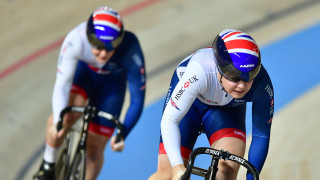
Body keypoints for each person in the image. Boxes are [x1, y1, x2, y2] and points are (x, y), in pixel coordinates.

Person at [33, 6, 146, 180]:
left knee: (94, 151)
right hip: (85, 74)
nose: (103, 54)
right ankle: (48, 166)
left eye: (110, 48)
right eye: (98, 46)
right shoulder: (76, 39)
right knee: (64, 119)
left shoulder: (131, 48)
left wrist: (122, 133)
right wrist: (58, 119)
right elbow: (62, 84)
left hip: (112, 86)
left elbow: (137, 99)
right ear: (89, 38)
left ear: (120, 41)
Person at [148, 29, 274, 180]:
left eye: (249, 77)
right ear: (219, 69)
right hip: (191, 103)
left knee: (226, 170)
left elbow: (261, 135)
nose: (241, 86)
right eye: (234, 77)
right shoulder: (199, 71)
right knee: (167, 175)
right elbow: (170, 120)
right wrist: (177, 166)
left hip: (227, 109)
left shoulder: (261, 84)